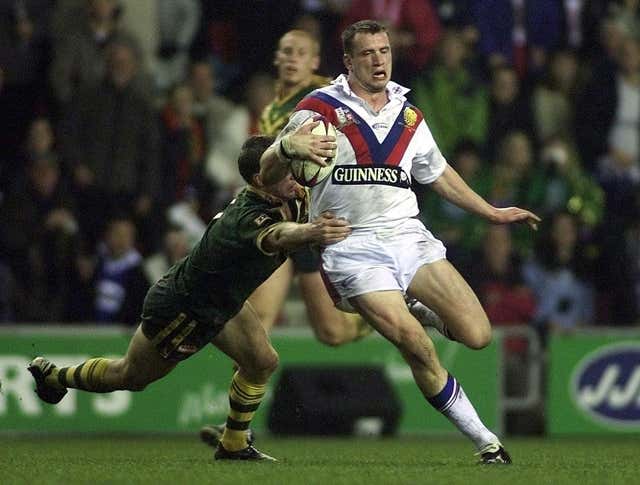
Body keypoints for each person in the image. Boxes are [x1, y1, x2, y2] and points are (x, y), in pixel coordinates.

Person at [260, 19, 542, 464]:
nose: (379, 60)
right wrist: (285, 150)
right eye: (368, 53)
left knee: (478, 334)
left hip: (409, 237)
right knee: (417, 344)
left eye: (385, 51)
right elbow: (268, 174)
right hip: (352, 246)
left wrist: (490, 211)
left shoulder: (409, 113)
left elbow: (439, 173)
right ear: (348, 61)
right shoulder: (317, 108)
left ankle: (414, 306)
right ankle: (487, 442)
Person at [27, 134, 352, 462]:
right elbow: (280, 235)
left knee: (262, 362)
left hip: (224, 302)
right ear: (260, 179)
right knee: (130, 376)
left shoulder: (292, 195)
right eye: (284, 169)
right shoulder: (246, 218)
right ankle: (54, 376)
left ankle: (234, 444)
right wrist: (312, 232)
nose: (294, 174)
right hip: (185, 308)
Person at [199, 28, 373, 448]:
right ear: (277, 60)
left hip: (324, 221)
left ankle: (391, 308)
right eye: (286, 52)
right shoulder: (272, 112)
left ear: (315, 62)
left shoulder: (331, 95)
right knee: (255, 322)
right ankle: (237, 427)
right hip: (284, 224)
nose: (292, 58)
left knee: (331, 332)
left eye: (301, 53)